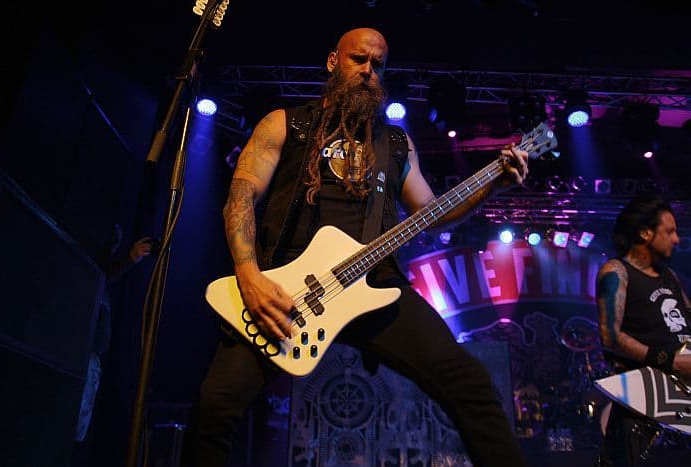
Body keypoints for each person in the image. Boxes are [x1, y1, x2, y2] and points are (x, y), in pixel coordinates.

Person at [180, 27, 531, 467]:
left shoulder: (396, 143)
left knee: (470, 383)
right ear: (333, 61)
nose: (368, 71)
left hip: (375, 284)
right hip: (286, 290)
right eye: (358, 60)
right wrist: (249, 276)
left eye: (378, 65)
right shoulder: (285, 123)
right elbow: (241, 197)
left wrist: (494, 183)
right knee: (214, 407)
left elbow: (432, 210)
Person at [595, 193, 691, 466]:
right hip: (643, 406)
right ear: (645, 233)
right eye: (669, 231)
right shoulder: (617, 271)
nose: (676, 239)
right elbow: (610, 338)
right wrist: (671, 360)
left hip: (681, 399)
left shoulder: (669, 277)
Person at [72, 225, 153, 465]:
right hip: (82, 356)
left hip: (93, 356)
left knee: (81, 427)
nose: (115, 241)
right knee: (75, 426)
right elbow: (101, 278)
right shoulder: (88, 268)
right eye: (112, 237)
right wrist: (131, 258)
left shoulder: (100, 273)